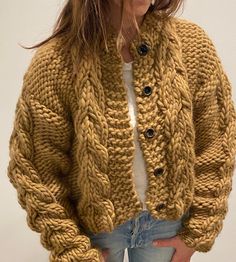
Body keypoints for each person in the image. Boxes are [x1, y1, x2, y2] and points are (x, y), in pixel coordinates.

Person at [7, 0, 236, 261]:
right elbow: (36, 168)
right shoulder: (56, 61)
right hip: (93, 230)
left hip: (168, 224)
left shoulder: (192, 46)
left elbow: (216, 143)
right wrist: (71, 247)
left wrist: (197, 233)